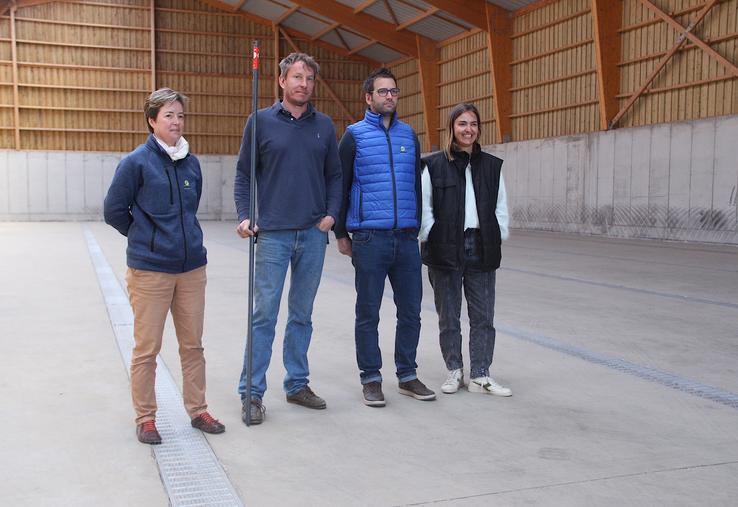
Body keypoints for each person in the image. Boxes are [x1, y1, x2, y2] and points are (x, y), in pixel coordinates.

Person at [104, 88, 225, 445]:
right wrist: (146, 239)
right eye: (169, 115)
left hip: (191, 269)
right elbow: (113, 210)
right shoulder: (136, 163)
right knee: (147, 347)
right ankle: (146, 417)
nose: (176, 122)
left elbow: (191, 209)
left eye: (180, 115)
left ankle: (198, 409)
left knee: (193, 346)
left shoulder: (191, 162)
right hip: (150, 271)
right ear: (152, 120)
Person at [234, 52, 341, 425]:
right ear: (282, 81)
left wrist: (331, 214)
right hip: (274, 235)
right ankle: (251, 392)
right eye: (297, 77)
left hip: (313, 234)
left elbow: (335, 176)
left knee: (302, 315)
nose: (304, 84)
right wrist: (246, 215)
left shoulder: (324, 125)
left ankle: (297, 384)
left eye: (309, 79)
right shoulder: (259, 122)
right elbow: (244, 175)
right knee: (264, 314)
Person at [335, 67, 435, 407]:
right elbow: (341, 185)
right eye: (382, 92)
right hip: (369, 238)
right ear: (368, 97)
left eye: (393, 91)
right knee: (369, 312)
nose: (389, 96)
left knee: (411, 311)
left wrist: (419, 227)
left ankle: (407, 374)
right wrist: (341, 233)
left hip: (406, 239)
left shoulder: (409, 135)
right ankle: (371, 378)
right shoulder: (354, 135)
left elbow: (416, 187)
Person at [419, 103, 511, 397]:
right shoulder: (433, 165)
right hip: (444, 247)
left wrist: (499, 234)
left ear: (478, 129)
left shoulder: (492, 166)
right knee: (449, 316)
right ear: (452, 129)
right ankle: (454, 371)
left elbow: (500, 207)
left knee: (483, 316)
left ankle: (481, 375)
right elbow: (425, 207)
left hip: (481, 247)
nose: (468, 129)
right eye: (462, 124)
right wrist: (431, 234)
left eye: (473, 124)